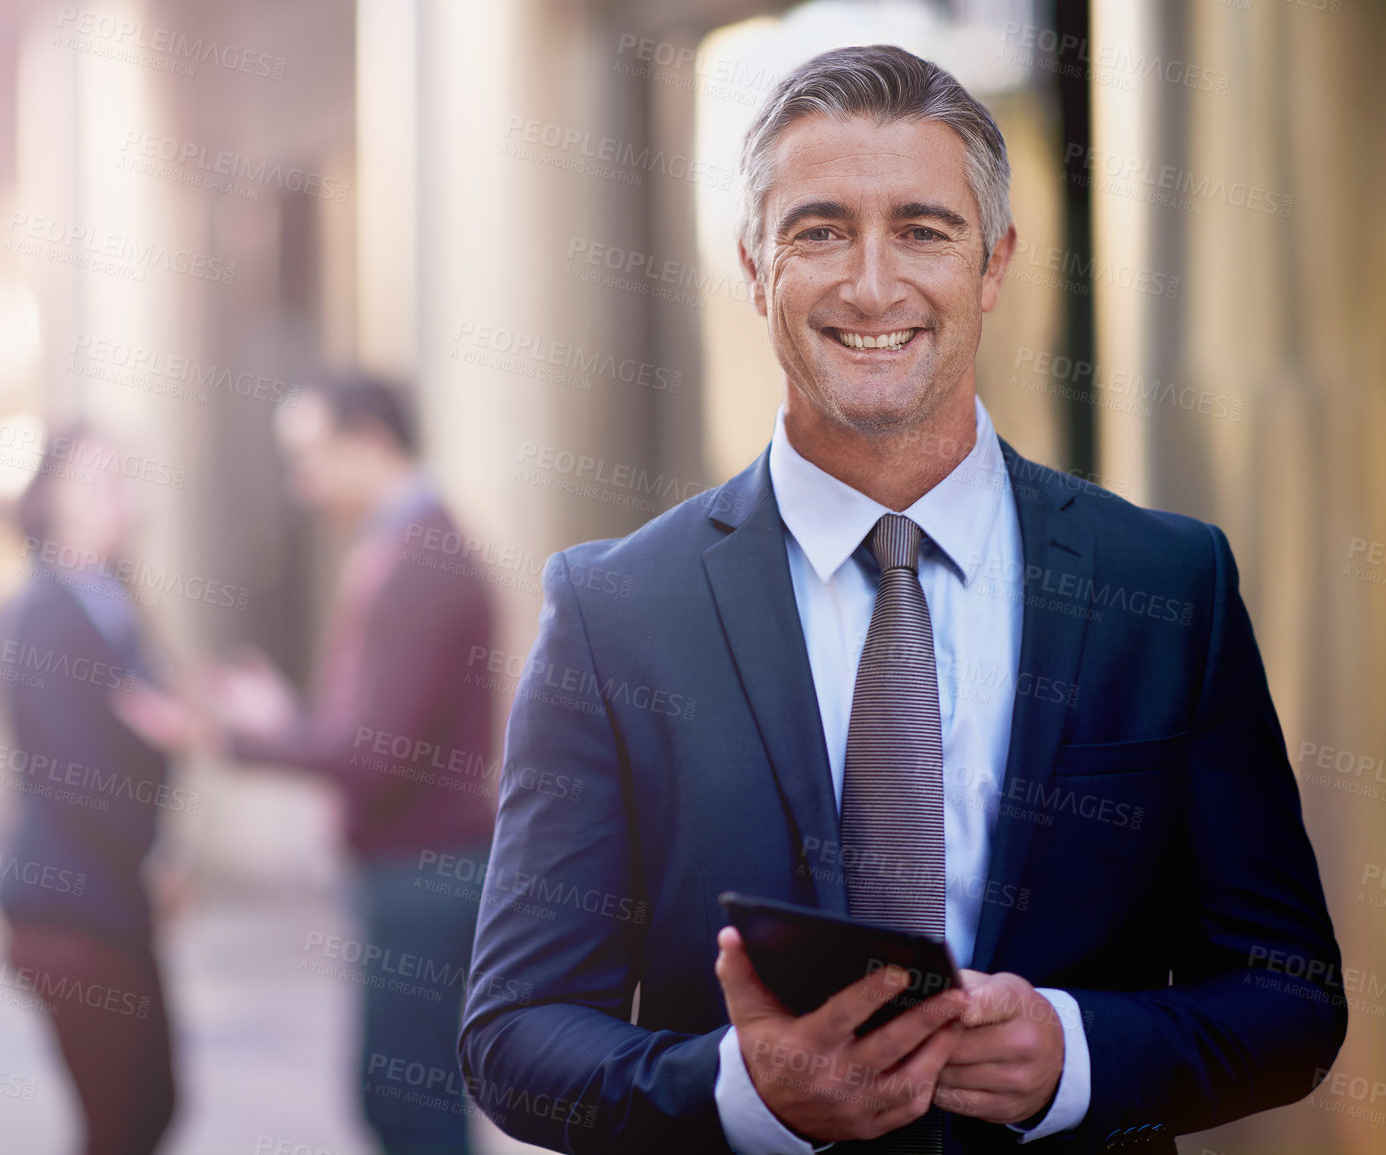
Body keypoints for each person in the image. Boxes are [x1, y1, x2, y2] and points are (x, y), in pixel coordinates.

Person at [458, 45, 1344, 1155]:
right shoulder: (613, 608)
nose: (872, 284)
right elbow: (513, 1036)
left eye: (924, 230)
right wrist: (742, 1093)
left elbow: (1292, 1001)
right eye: (819, 230)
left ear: (995, 262)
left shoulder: (1166, 587)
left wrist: (1074, 1054)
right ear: (752, 264)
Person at [119, 374, 497, 1155]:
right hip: (413, 866)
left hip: (423, 873)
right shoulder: (404, 542)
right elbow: (375, 733)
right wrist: (283, 718)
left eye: (311, 454)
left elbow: (372, 755)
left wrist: (228, 736)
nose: (302, 481)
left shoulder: (420, 554)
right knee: (394, 1097)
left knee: (406, 1107)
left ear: (368, 442)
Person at [0, 424, 178, 1155]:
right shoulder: (44, 609)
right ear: (49, 498)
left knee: (150, 1104)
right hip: (69, 901)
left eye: (123, 480)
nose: (117, 500)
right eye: (96, 482)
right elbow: (78, 774)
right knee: (121, 1115)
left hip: (109, 892)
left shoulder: (110, 599)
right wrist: (152, 859)